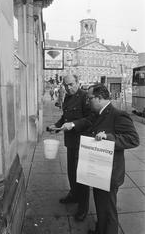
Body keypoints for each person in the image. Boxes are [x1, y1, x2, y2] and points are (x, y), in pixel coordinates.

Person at [62, 84, 139, 234]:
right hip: (99, 170)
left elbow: (133, 139)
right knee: (100, 205)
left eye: (90, 98)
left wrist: (109, 138)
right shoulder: (98, 113)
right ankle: (100, 229)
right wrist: (71, 125)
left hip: (109, 172)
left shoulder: (118, 115)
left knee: (108, 209)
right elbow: (86, 123)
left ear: (99, 98)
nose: (87, 101)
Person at [48, 74, 91, 222]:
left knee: (82, 177)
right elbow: (65, 116)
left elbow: (90, 119)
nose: (68, 87)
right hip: (71, 142)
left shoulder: (85, 97)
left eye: (71, 84)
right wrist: (57, 125)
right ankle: (74, 195)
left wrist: (73, 125)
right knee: (72, 172)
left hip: (83, 142)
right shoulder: (67, 97)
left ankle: (83, 207)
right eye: (66, 85)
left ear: (78, 82)